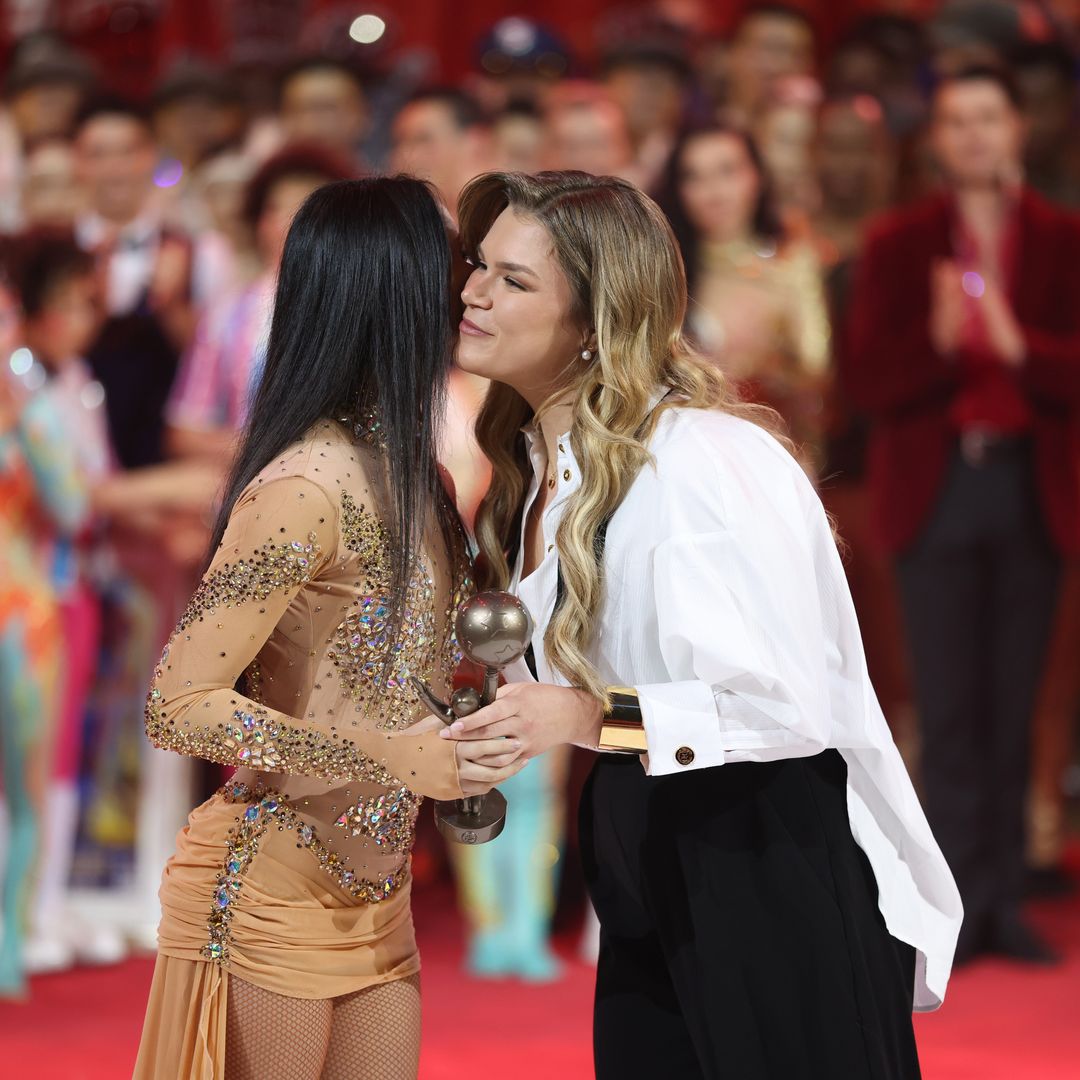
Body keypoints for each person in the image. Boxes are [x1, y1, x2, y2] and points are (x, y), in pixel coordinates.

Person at [440, 170, 960, 1079]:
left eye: (515, 280)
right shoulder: (540, 469)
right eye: (478, 266)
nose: (473, 292)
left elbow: (783, 708)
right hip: (644, 836)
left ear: (597, 320)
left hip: (763, 847)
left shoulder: (707, 460)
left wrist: (578, 717)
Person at [132, 176, 524, 1080]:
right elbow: (179, 707)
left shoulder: (415, 473)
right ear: (393, 289)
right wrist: (389, 756)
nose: (471, 290)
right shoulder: (304, 488)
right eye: (457, 266)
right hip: (267, 893)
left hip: (378, 899)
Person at [844, 66, 1080, 965]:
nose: (976, 135)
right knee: (943, 712)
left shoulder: (1061, 238)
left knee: (1014, 706)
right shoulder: (901, 243)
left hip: (1031, 487)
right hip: (936, 493)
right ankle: (945, 908)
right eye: (958, 121)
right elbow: (864, 381)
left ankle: (1001, 898)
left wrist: (1024, 349)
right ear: (936, 139)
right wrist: (941, 348)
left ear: (1020, 128)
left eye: (991, 117)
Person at [0, 278, 88, 996]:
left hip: (23, 619)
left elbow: (72, 508)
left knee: (29, 784)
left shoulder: (37, 417)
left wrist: (30, 426)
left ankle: (10, 937)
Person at [165, 143, 354, 463]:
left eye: (306, 207)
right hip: (243, 474)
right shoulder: (226, 315)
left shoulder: (358, 308)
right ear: (259, 222)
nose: (290, 222)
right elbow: (184, 432)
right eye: (277, 209)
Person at [657, 123, 830, 470]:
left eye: (727, 171)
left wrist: (758, 364)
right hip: (676, 456)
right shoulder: (662, 268)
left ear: (757, 177)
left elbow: (817, 366)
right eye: (694, 177)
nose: (714, 191)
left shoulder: (791, 265)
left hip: (770, 450)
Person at [390, 88, 490, 220]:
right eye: (398, 143)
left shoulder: (515, 221)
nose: (404, 155)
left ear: (474, 144)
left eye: (423, 139)